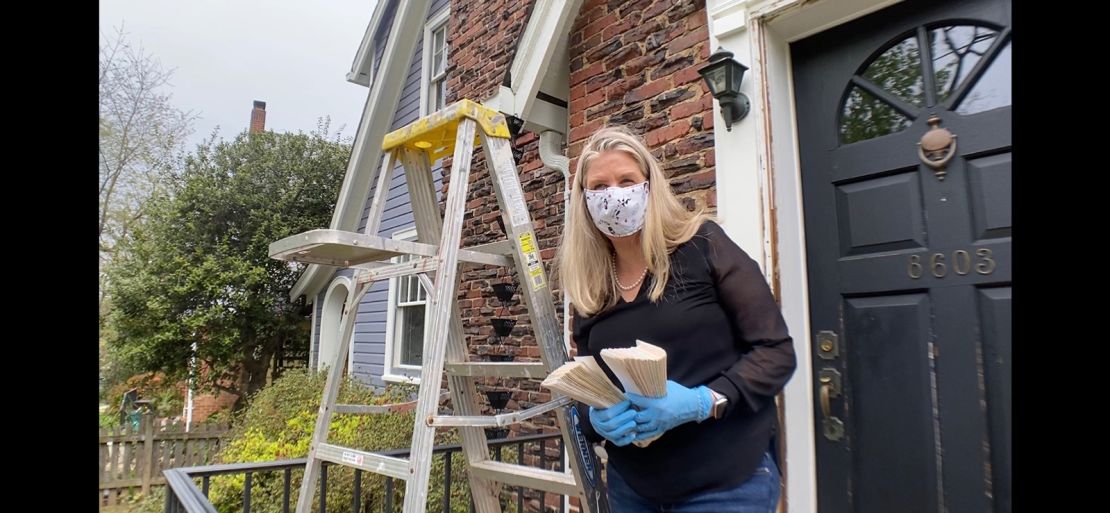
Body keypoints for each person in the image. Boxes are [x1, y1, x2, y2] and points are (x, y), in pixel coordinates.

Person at [556, 126, 797, 512]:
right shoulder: (591, 288)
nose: (613, 195)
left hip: (724, 484)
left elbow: (776, 351)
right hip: (632, 487)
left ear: (649, 186)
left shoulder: (703, 245)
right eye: (598, 186)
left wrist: (703, 401)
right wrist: (595, 420)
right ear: (583, 200)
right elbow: (589, 385)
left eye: (626, 181)